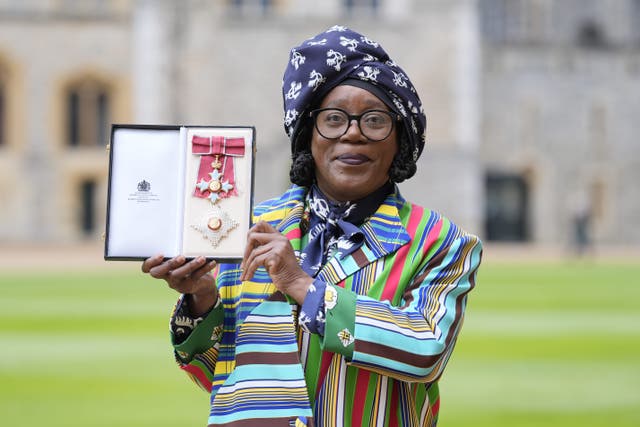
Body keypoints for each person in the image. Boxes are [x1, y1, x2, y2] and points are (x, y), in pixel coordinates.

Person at [142, 25, 482, 427]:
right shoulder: (246, 228)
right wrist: (201, 298)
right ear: (308, 135)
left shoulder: (440, 241)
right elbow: (217, 374)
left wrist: (303, 286)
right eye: (334, 119)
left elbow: (426, 352)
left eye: (374, 120)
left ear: (400, 139)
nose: (353, 134)